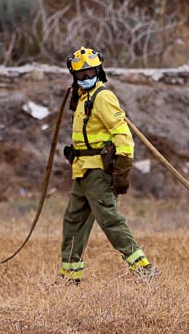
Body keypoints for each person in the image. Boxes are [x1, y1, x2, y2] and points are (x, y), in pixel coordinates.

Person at [59, 46, 155, 284]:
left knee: (110, 220)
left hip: (98, 173)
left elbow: (121, 132)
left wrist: (122, 169)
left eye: (90, 72)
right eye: (80, 74)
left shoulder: (103, 97)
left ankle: (144, 270)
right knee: (73, 221)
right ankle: (70, 278)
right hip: (82, 170)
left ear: (99, 70)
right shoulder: (83, 99)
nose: (85, 77)